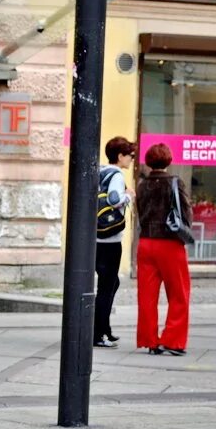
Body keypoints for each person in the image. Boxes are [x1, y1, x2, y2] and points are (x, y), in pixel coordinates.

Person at [135, 142, 192, 356]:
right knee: (178, 293)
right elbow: (186, 214)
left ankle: (150, 340)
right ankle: (173, 341)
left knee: (147, 296)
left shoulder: (142, 185)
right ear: (168, 160)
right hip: (169, 243)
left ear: (149, 161)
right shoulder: (176, 183)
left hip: (146, 242)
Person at [94, 136, 136, 349]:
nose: (131, 160)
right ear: (120, 156)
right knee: (107, 286)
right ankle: (99, 333)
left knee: (110, 284)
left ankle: (104, 329)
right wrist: (128, 196)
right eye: (130, 155)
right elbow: (113, 199)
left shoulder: (100, 170)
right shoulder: (117, 174)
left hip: (96, 236)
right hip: (110, 239)